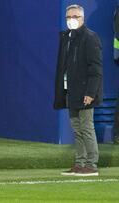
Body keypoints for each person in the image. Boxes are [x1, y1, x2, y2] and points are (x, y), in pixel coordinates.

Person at [54, 4, 103, 176]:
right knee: (76, 128)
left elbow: (95, 69)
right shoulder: (67, 37)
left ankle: (91, 164)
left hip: (85, 92)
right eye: (68, 17)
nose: (71, 20)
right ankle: (80, 163)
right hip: (71, 91)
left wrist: (90, 92)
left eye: (74, 17)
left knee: (87, 127)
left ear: (82, 18)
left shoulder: (90, 38)